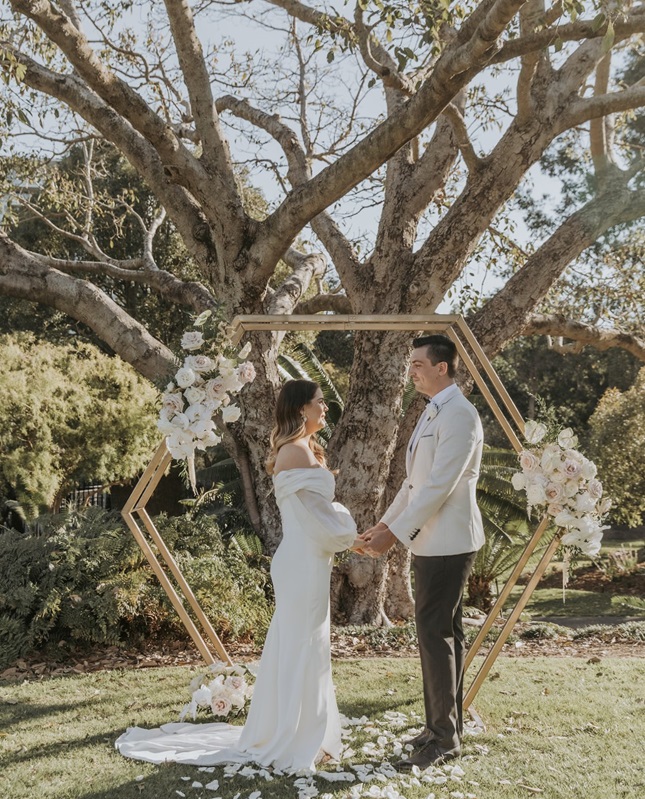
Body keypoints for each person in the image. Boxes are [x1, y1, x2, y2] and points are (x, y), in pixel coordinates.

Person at [116, 379, 362, 772]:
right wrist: (351, 535)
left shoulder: (304, 450)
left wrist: (346, 536)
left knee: (305, 645)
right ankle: (293, 735)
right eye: (319, 402)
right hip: (302, 562)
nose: (325, 407)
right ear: (301, 409)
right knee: (300, 646)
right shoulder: (295, 453)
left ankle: (302, 730)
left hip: (310, 559)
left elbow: (320, 515)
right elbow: (318, 518)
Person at [360, 334, 485, 770]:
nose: (411, 369)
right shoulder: (433, 410)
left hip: (449, 542)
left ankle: (444, 739)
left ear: (442, 368)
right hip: (431, 540)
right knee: (441, 635)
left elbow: (439, 486)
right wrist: (385, 522)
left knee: (436, 637)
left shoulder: (461, 416)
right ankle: (440, 728)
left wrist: (394, 535)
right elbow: (413, 481)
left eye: (417, 363)